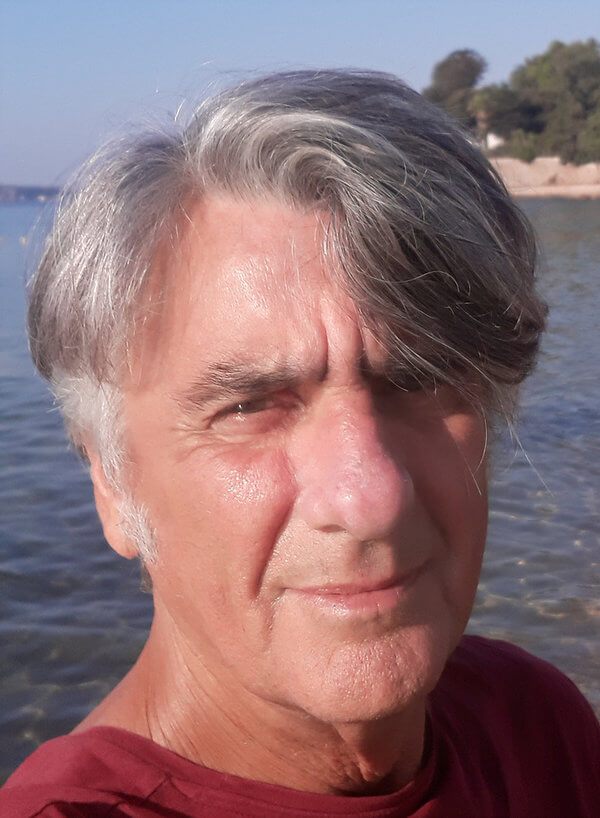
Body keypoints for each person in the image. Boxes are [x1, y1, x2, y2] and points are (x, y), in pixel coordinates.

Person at [2, 69, 598, 817]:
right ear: (113, 485)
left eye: (420, 378)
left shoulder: (536, 726)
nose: (370, 498)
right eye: (249, 406)